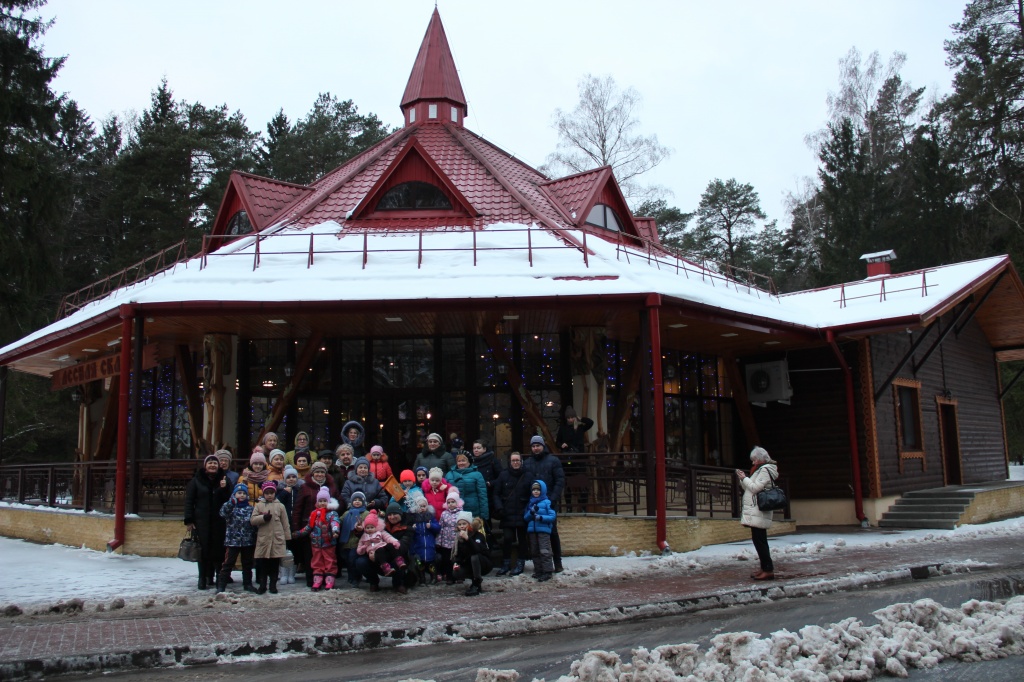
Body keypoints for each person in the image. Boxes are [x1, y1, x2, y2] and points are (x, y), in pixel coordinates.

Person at [183, 454, 229, 590]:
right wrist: (189, 520)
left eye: (215, 463)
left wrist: (223, 488)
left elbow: (229, 499)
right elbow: (189, 501)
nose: (213, 465)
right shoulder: (196, 481)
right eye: (210, 463)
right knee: (202, 551)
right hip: (201, 521)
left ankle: (217, 578)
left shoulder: (224, 479)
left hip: (220, 521)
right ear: (205, 465)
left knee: (219, 551)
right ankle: (202, 578)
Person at [522, 435, 565, 572]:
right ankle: (540, 565)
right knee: (535, 535)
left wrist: (552, 499)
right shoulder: (527, 463)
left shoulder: (553, 461)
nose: (535, 448)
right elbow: (525, 483)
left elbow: (560, 480)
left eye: (538, 445)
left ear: (543, 446)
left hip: (548, 503)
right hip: (533, 505)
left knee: (552, 533)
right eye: (533, 446)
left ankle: (557, 562)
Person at [292, 460, 337, 588]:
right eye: (317, 472)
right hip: (309, 525)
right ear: (312, 473)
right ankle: (312, 580)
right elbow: (297, 508)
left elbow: (339, 502)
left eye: (322, 472)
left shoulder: (331, 486)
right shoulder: (305, 487)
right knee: (311, 556)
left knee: (328, 556)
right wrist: (296, 527)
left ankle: (328, 580)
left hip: (327, 528)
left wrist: (332, 513)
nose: (319, 474)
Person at [736, 446, 778, 581]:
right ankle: (764, 568)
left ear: (760, 459)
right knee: (758, 540)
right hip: (756, 510)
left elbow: (755, 488)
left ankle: (768, 569)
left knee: (760, 540)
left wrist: (745, 478)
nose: (752, 463)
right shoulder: (759, 469)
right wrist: (743, 479)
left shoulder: (765, 470)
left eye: (754, 460)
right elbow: (749, 487)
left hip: (759, 509)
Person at [493, 451, 531, 576]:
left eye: (518, 460)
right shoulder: (503, 475)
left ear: (521, 461)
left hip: (522, 512)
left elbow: (533, 494)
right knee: (507, 538)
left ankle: (520, 563)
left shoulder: (527, 475)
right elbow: (496, 493)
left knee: (522, 540)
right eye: (513, 460)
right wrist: (499, 507)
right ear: (510, 462)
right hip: (507, 512)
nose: (516, 463)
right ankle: (506, 563)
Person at [251, 481, 290, 594]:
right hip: (263, 539)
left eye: (271, 492)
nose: (269, 495)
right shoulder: (259, 505)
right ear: (263, 493)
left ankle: (273, 585)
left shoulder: (280, 506)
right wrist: (263, 518)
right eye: (267, 493)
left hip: (277, 539)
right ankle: (262, 585)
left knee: (274, 564)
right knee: (263, 565)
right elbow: (252, 520)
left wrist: (287, 538)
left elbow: (285, 523)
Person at [217, 483, 257, 593]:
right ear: (234, 494)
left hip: (248, 541)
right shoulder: (230, 507)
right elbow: (222, 513)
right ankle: (221, 585)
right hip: (232, 541)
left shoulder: (250, 508)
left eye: (244, 493)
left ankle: (247, 584)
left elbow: (254, 523)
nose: (242, 495)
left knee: (247, 564)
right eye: (239, 493)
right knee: (228, 563)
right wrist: (231, 503)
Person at [556, 407, 594, 512]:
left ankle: (583, 507)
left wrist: (579, 418)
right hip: (568, 459)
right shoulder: (563, 428)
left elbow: (590, 422)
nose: (570, 420)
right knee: (568, 484)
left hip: (580, 459)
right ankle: (569, 507)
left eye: (572, 417)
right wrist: (561, 445)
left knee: (583, 483)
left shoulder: (580, 427)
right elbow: (557, 442)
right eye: (568, 418)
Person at [355, 510, 404, 588]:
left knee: (391, 549)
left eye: (372, 527)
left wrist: (395, 542)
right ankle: (373, 582)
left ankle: (398, 584)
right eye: (368, 527)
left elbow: (388, 537)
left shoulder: (380, 532)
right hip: (371, 554)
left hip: (384, 552)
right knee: (360, 562)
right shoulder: (364, 536)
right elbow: (359, 547)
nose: (370, 529)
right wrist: (363, 548)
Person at [451, 512, 492, 596]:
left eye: (464, 524)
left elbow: (476, 550)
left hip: (484, 563)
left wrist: (467, 539)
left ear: (469, 524)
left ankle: (477, 582)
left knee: (474, 557)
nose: (462, 526)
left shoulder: (478, 535)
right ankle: (474, 580)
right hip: (469, 564)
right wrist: (456, 563)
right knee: (456, 572)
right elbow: (459, 554)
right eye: (459, 524)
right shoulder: (458, 538)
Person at [525, 480, 557, 582]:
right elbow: (526, 517)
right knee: (534, 551)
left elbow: (552, 516)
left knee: (544, 550)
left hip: (543, 530)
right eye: (534, 489)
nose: (535, 492)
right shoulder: (530, 503)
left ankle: (547, 571)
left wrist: (541, 518)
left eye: (538, 490)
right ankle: (538, 570)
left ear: (542, 490)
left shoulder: (547, 502)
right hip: (532, 531)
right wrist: (531, 512)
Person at [444, 452, 489, 521]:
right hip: (453, 512)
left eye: (463, 461)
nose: (461, 463)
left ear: (469, 462)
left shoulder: (477, 475)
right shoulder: (449, 475)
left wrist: (484, 514)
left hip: (473, 510)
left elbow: (482, 495)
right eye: (459, 461)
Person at [339, 491, 369, 587]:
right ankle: (351, 577)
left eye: (359, 500)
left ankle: (356, 578)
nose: (357, 502)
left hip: (358, 542)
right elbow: (340, 521)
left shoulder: (365, 513)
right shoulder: (347, 513)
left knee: (353, 559)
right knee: (348, 560)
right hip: (346, 542)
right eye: (355, 500)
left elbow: (370, 525)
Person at [407, 493, 439, 585]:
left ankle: (434, 577)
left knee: (431, 562)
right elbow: (409, 533)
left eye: (424, 506)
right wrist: (412, 528)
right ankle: (422, 578)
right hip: (418, 545)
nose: (422, 508)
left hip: (429, 544)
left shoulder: (430, 517)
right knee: (419, 563)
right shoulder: (413, 518)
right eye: (420, 506)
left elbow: (438, 527)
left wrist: (431, 526)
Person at [435, 490, 463, 584]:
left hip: (457, 540)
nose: (451, 504)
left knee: (458, 560)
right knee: (447, 560)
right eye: (449, 502)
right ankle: (449, 577)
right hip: (446, 540)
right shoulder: (444, 514)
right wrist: (439, 541)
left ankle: (459, 576)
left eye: (453, 502)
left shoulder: (461, 513)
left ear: (457, 502)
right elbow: (441, 527)